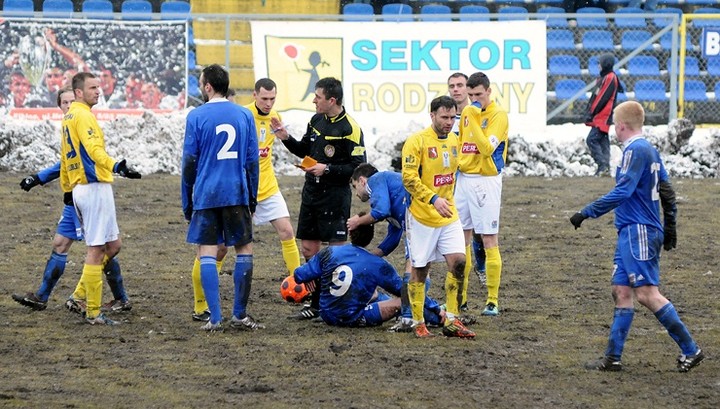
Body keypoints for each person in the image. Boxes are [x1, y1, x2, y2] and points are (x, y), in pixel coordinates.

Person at [570, 101, 704, 373]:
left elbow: (623, 192)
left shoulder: (634, 150)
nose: (613, 131)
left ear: (620, 126)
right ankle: (612, 358)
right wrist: (671, 225)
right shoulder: (650, 150)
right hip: (632, 231)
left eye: (613, 126)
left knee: (646, 293)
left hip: (638, 230)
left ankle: (691, 349)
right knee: (621, 291)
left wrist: (587, 212)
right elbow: (666, 190)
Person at [12, 86, 131, 313]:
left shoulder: (80, 122)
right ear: (60, 106)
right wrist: (38, 178)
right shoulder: (68, 127)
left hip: (87, 195)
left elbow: (69, 163)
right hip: (73, 201)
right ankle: (42, 297)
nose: (68, 106)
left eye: (70, 101)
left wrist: (39, 177)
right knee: (62, 244)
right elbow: (66, 164)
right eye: (64, 103)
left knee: (104, 247)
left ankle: (115, 298)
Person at [272, 77, 366, 320]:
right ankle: (316, 302)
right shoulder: (315, 120)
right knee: (309, 248)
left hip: (334, 197)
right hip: (311, 193)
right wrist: (286, 138)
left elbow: (358, 167)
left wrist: (327, 170)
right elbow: (305, 149)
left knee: (334, 253)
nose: (314, 100)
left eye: (318, 96)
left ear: (332, 100)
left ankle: (335, 301)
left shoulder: (350, 129)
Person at [181, 64, 261, 332]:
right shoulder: (244, 114)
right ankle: (239, 314)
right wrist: (252, 196)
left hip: (206, 193)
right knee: (244, 249)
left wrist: (187, 199)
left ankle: (214, 318)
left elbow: (189, 161)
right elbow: (252, 161)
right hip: (236, 191)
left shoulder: (196, 116)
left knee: (207, 252)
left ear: (207, 87)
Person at [61, 72, 142, 325]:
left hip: (84, 188)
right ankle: (93, 312)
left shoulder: (69, 116)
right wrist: (117, 165)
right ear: (78, 93)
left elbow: (65, 157)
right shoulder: (83, 116)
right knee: (96, 250)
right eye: (92, 87)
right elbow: (94, 150)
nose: (98, 91)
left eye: (99, 86)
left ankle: (79, 295)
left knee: (113, 245)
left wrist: (67, 189)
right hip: (92, 187)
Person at [401, 95, 475, 338]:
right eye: (444, 117)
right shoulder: (416, 142)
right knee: (420, 270)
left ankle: (452, 320)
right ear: (431, 115)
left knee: (460, 264)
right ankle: (418, 321)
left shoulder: (454, 140)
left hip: (448, 216)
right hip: (422, 217)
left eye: (452, 117)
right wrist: (433, 199)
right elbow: (409, 179)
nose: (449, 122)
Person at [294, 214, 445, 328]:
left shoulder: (329, 252)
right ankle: (440, 318)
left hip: (326, 314)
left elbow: (299, 275)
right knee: (403, 301)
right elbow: (406, 291)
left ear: (351, 233)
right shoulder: (376, 264)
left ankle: (438, 313)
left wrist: (311, 278)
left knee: (378, 295)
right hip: (352, 318)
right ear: (371, 237)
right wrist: (434, 307)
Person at [349, 163, 444, 332]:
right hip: (422, 219)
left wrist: (358, 221)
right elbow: (393, 236)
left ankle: (410, 317)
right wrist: (371, 256)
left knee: (414, 271)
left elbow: (381, 211)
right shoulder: (393, 194)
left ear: (362, 181)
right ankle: (429, 314)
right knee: (418, 269)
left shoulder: (376, 180)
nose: (356, 194)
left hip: (420, 219)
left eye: (355, 187)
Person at [456, 71, 509, 317]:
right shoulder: (469, 114)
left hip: (487, 180)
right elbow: (462, 146)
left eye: (478, 94)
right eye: (471, 95)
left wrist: (472, 118)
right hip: (465, 179)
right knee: (461, 238)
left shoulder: (498, 116)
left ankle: (492, 300)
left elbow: (487, 148)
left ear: (489, 91)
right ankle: (460, 297)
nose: (474, 99)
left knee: (488, 238)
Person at [448, 71, 486, 302]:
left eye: (460, 85)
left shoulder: (480, 114)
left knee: (481, 233)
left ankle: (481, 267)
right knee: (462, 232)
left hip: (477, 178)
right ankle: (462, 285)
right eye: (452, 85)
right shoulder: (446, 116)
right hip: (454, 181)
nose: (456, 89)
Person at [585, 53, 622, 177]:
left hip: (603, 115)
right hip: (601, 115)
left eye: (600, 63)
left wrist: (592, 111)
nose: (598, 66)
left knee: (592, 140)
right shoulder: (605, 77)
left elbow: (602, 97)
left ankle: (602, 165)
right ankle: (606, 166)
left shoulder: (610, 77)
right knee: (602, 140)